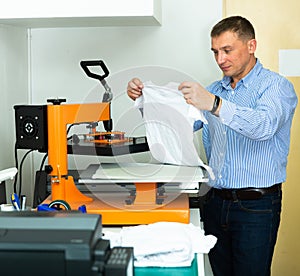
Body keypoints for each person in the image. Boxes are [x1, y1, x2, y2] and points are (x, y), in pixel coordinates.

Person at [127, 15, 298, 276]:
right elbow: (177, 126)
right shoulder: (213, 89)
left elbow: (263, 126)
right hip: (215, 202)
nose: (220, 60)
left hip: (256, 207)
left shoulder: (276, 87)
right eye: (215, 52)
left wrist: (214, 105)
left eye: (227, 50)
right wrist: (144, 101)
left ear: (251, 46)